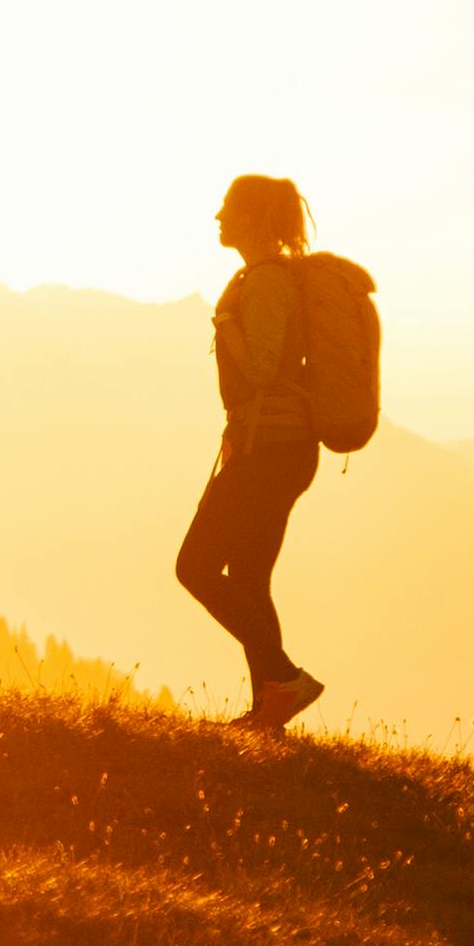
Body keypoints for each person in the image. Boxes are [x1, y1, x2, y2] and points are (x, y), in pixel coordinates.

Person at [178, 173, 350, 731]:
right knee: (249, 578)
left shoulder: (269, 281)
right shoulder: (260, 277)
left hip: (275, 450)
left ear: (251, 218)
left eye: (227, 208)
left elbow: (263, 369)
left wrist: (225, 322)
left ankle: (285, 678)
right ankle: (269, 711)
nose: (218, 218)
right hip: (273, 446)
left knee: (195, 567)